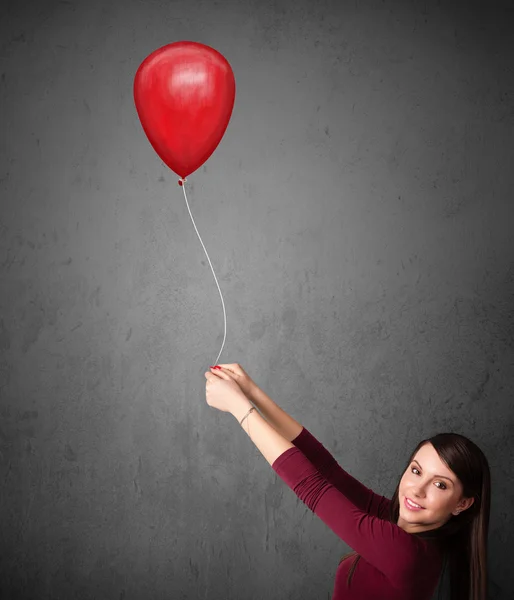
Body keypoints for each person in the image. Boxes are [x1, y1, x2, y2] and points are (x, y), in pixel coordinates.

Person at [206, 363, 491, 600]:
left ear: (462, 504)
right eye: (416, 471)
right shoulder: (399, 525)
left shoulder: (406, 552)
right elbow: (328, 470)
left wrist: (237, 407)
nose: (417, 489)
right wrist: (251, 390)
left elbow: (313, 488)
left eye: (440, 484)